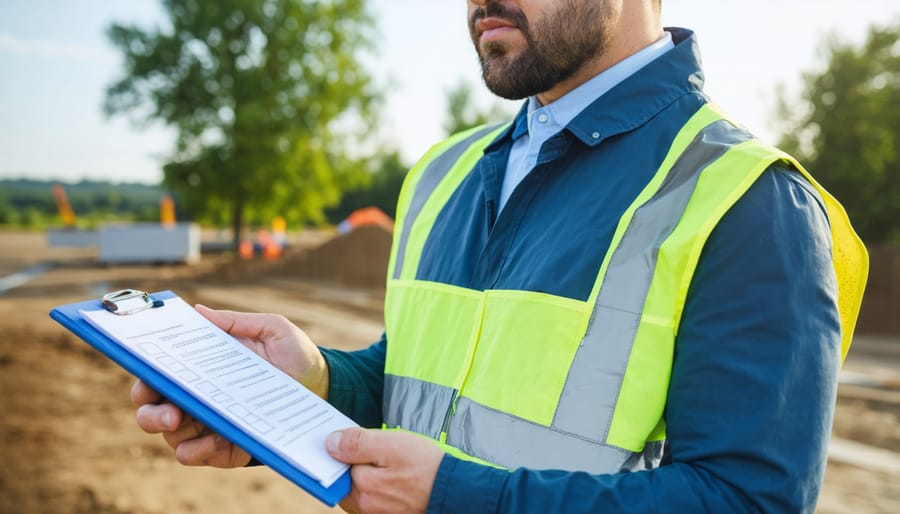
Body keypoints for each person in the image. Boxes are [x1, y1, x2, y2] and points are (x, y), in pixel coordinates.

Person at [132, 0, 869, 512]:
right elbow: (433, 385)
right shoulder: (444, 173)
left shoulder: (747, 201)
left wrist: (458, 499)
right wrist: (319, 382)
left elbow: (749, 499)